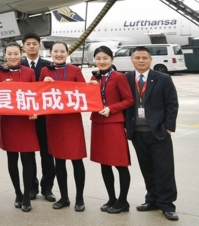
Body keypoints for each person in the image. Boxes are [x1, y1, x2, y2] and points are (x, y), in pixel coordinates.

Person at [124, 46, 179, 221]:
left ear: (150, 60)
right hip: (137, 133)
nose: (141, 60)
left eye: (144, 58)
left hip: (158, 132)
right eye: (137, 57)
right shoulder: (126, 78)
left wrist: (168, 127)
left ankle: (167, 204)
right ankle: (152, 200)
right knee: (147, 169)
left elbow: (172, 104)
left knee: (164, 169)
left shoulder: (163, 79)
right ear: (132, 59)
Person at [39, 42, 87, 212]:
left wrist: (91, 87)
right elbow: (38, 95)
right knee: (59, 161)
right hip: (53, 121)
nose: (58, 54)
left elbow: (84, 92)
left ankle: (79, 198)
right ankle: (64, 197)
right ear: (50, 53)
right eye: (55, 51)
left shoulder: (75, 70)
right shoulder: (45, 71)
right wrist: (43, 83)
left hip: (72, 121)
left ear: (67, 53)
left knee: (76, 160)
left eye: (62, 51)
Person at [88, 46, 134, 215]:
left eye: (105, 58)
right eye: (98, 58)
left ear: (112, 60)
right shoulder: (94, 77)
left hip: (114, 123)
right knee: (104, 163)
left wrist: (111, 109)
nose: (102, 61)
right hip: (98, 123)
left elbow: (128, 100)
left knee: (120, 163)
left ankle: (123, 200)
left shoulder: (119, 77)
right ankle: (112, 198)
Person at [0, 42, 38, 213]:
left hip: (26, 122)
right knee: (12, 160)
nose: (12, 57)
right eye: (9, 54)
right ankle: (18, 193)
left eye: (15, 53)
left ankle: (27, 195)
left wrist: (35, 111)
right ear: (5, 55)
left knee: (27, 160)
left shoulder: (29, 72)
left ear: (21, 54)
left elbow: (36, 94)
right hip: (9, 122)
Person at [20, 32, 56, 203]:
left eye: (35, 43)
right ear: (23, 47)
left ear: (40, 45)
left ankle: (47, 188)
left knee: (47, 154)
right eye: (28, 44)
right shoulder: (17, 65)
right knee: (28, 154)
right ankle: (31, 187)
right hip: (25, 118)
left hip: (44, 117)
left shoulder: (48, 66)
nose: (32, 46)